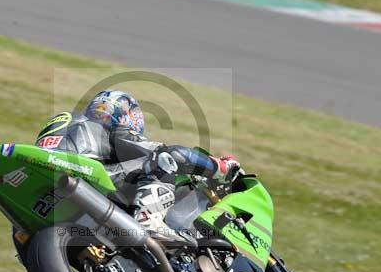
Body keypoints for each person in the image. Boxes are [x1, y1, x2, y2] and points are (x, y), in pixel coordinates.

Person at [35, 90, 240, 241]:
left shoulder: (79, 130)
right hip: (88, 179)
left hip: (56, 193)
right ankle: (149, 221)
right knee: (166, 158)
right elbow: (176, 154)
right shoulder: (110, 130)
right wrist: (219, 168)